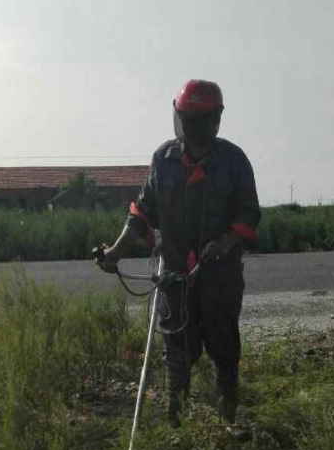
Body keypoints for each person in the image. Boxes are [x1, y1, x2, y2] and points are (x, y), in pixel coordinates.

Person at [99, 79, 261, 427]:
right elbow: (142, 214)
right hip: (174, 277)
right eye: (186, 117)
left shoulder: (233, 161)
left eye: (197, 119)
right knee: (177, 353)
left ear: (214, 120)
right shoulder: (164, 160)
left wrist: (223, 243)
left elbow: (249, 217)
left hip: (219, 277)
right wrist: (115, 251)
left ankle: (227, 421)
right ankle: (177, 426)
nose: (190, 125)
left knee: (224, 349)